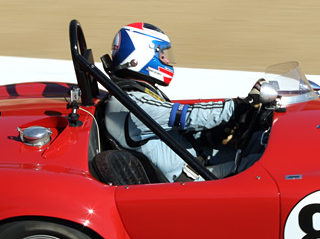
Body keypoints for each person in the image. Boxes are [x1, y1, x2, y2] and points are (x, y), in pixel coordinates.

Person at [103, 22, 257, 183]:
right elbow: (186, 115)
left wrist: (209, 135)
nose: (167, 60)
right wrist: (237, 107)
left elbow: (174, 129)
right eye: (161, 54)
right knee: (257, 166)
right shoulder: (133, 104)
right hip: (187, 181)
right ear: (140, 57)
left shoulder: (136, 96)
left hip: (195, 163)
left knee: (254, 146)